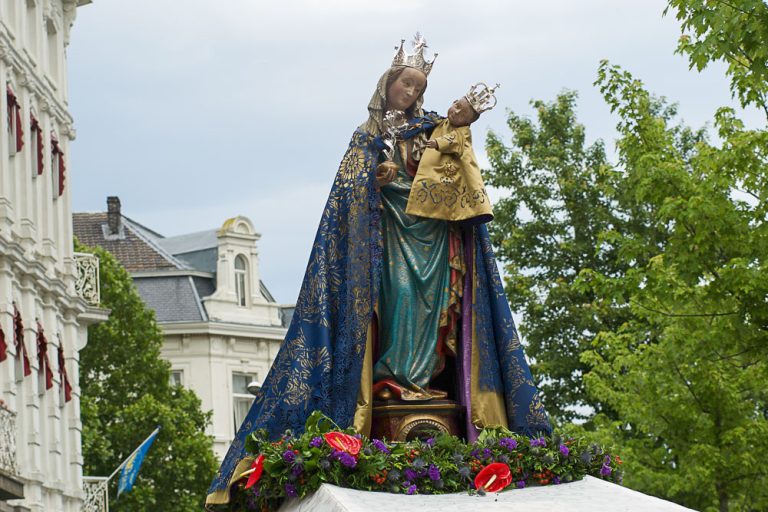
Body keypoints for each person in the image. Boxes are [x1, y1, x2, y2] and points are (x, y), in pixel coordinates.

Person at [206, 36, 550, 507]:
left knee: (432, 312)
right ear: (388, 84)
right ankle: (393, 380)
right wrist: (377, 179)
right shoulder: (365, 137)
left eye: (418, 85)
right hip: (385, 239)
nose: (410, 91)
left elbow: (451, 168)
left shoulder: (432, 127)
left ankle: (422, 383)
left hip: (430, 237)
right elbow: (347, 197)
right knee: (399, 303)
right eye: (405, 82)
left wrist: (457, 127)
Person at [405, 84, 499, 225]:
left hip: (447, 166)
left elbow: (454, 140)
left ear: (468, 122)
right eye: (457, 106)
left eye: (462, 115)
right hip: (433, 159)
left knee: (435, 184)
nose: (456, 113)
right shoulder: (440, 121)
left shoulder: (463, 132)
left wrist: (437, 143)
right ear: (454, 102)